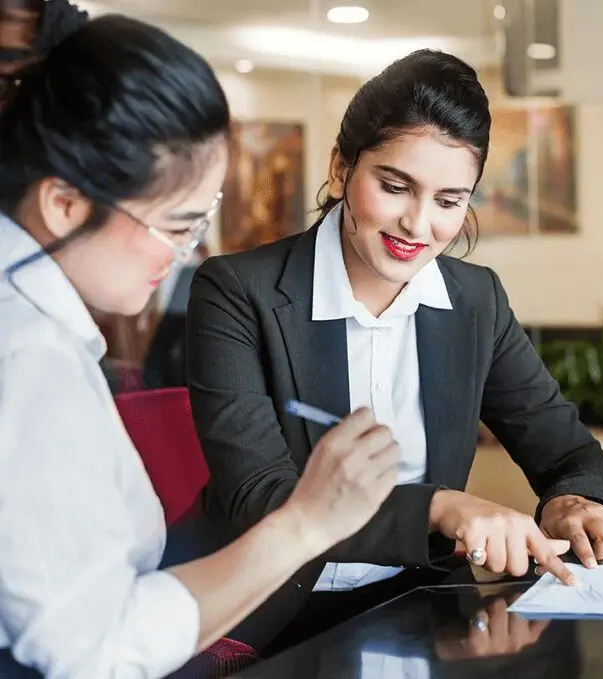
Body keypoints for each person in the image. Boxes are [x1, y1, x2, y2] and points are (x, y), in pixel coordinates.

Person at [0, 9, 401, 679]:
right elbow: (92, 650)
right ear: (65, 204)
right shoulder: (28, 357)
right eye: (175, 225)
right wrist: (305, 521)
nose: (184, 253)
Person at [186, 47, 603, 654]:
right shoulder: (237, 291)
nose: (418, 225)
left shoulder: (476, 301)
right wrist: (439, 508)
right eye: (395, 187)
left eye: (449, 201)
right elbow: (258, 497)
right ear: (342, 168)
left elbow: (568, 450)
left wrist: (577, 501)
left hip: (423, 606)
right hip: (272, 616)